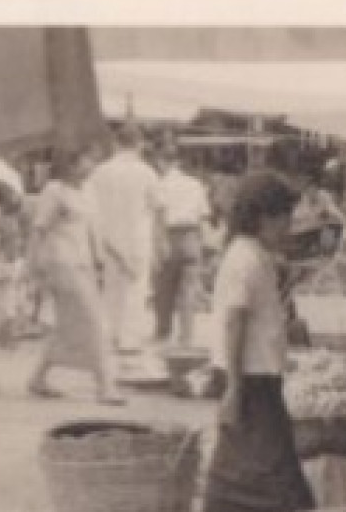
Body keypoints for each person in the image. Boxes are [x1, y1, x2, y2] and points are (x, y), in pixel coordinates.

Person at [192, 173, 316, 512]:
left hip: (255, 372)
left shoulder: (253, 254)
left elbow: (255, 317)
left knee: (235, 463)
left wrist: (284, 326)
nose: (288, 229)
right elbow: (234, 322)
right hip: (248, 376)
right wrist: (233, 388)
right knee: (276, 468)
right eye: (283, 220)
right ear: (261, 218)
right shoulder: (244, 258)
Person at [25, 145, 123, 405]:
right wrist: (32, 268)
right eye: (87, 160)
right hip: (61, 264)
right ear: (71, 164)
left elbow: (94, 232)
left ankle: (37, 378)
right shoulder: (54, 191)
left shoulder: (87, 193)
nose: (91, 166)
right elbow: (38, 231)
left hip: (83, 264)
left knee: (69, 325)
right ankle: (105, 386)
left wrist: (110, 257)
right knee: (93, 321)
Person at [85, 124, 162, 350]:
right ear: (139, 145)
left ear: (116, 144)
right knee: (136, 290)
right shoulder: (147, 172)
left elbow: (90, 209)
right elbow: (156, 208)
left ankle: (111, 335)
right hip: (138, 238)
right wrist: (159, 243)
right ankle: (129, 339)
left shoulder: (99, 172)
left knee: (111, 288)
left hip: (108, 239)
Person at [151, 146, 213, 346]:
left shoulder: (160, 184)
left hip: (170, 234)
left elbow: (158, 216)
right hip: (192, 235)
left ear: (162, 161)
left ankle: (163, 332)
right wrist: (202, 245)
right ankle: (186, 336)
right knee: (188, 290)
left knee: (164, 288)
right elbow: (204, 217)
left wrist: (158, 243)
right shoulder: (196, 184)